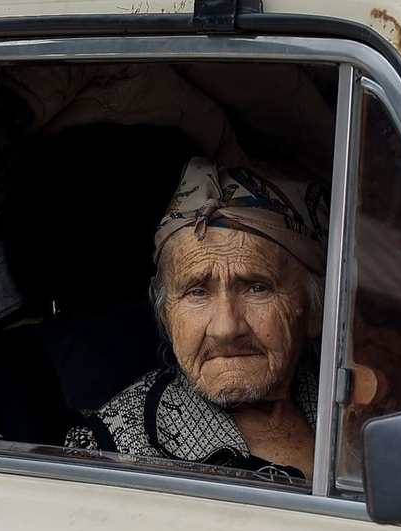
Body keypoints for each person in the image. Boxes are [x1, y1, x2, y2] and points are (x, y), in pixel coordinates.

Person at [66, 158, 328, 483]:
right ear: (166, 315)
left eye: (257, 288)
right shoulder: (108, 452)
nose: (226, 328)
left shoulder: (355, 410)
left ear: (315, 310)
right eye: (197, 292)